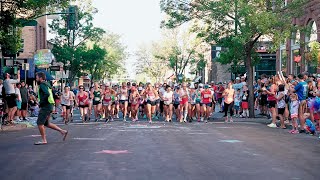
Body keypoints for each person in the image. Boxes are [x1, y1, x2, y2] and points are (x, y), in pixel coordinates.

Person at [34, 72, 68, 145]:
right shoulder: (47, 84)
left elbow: (47, 94)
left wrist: (41, 102)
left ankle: (44, 140)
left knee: (40, 123)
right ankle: (62, 131)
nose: (36, 79)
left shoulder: (43, 85)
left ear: (40, 78)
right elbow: (52, 94)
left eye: (36, 78)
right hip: (50, 105)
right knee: (47, 123)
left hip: (46, 105)